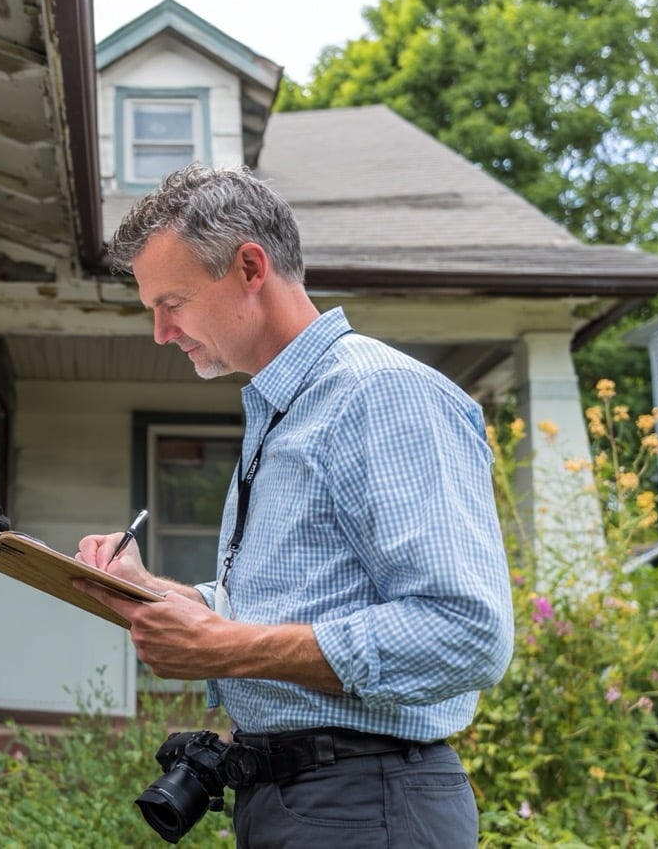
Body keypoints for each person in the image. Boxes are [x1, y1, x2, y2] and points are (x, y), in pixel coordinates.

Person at [75, 163, 514, 847]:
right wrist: (145, 589)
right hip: (302, 799)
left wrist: (228, 646)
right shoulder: (280, 412)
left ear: (250, 266)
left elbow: (466, 631)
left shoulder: (378, 394)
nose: (161, 333)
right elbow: (283, 608)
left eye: (174, 303)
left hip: (367, 803)